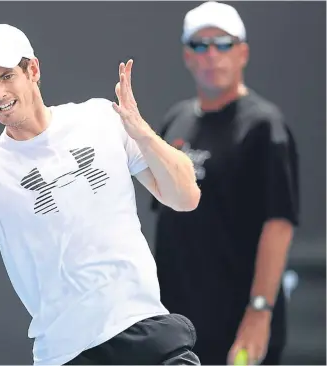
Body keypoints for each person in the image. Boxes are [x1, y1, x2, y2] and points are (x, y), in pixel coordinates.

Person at [0, 23, 202, 365]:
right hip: (67, 354)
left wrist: (142, 132)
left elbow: (185, 197)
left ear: (33, 70)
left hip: (145, 332)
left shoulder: (101, 117)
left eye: (7, 77)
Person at [151, 2, 300, 365]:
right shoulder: (176, 121)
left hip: (238, 327)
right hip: (179, 326)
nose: (212, 54)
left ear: (243, 52)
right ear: (187, 56)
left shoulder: (265, 126)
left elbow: (278, 224)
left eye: (223, 43)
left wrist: (259, 312)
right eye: (201, 45)